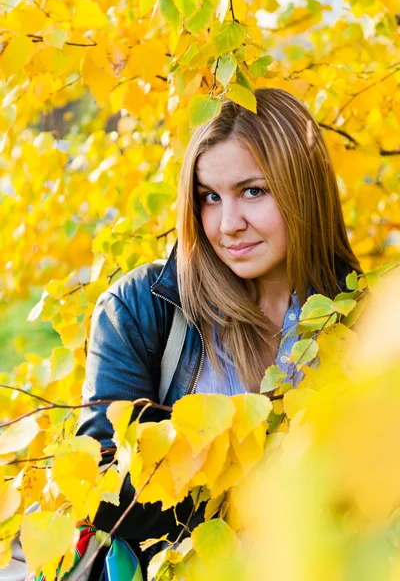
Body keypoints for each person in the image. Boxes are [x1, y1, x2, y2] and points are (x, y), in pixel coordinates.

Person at [76, 87, 362, 573]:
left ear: (303, 190)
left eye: (253, 191)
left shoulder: (361, 320)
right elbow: (99, 491)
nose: (228, 224)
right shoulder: (142, 308)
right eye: (209, 197)